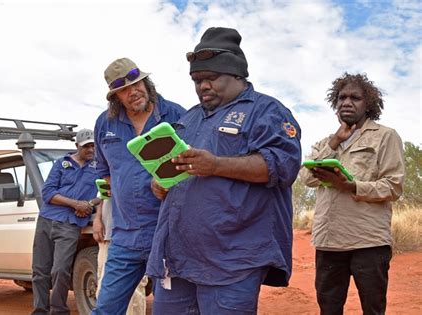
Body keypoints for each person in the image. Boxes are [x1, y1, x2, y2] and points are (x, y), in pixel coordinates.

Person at [146, 27, 302, 314]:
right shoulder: (188, 119)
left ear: (237, 76)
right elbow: (177, 170)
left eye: (211, 78)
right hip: (177, 258)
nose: (203, 86)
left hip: (232, 260)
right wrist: (160, 183)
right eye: (196, 80)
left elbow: (283, 165)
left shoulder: (266, 111)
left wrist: (216, 165)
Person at [300, 73, 405, 315]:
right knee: (328, 308)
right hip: (328, 241)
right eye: (341, 97)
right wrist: (335, 141)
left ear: (368, 104)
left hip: (368, 241)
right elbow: (306, 178)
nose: (346, 102)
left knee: (373, 308)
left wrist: (351, 186)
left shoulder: (385, 136)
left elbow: (393, 186)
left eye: (354, 98)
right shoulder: (326, 142)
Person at [92, 57, 186, 314]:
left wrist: (170, 185)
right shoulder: (104, 124)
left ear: (147, 82)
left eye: (137, 83)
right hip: (125, 236)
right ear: (115, 96)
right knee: (106, 309)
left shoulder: (177, 115)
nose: (133, 91)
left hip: (169, 233)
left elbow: (196, 168)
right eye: (123, 88)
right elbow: (104, 172)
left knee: (171, 310)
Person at [31, 128, 101, 315]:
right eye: (87, 146)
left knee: (60, 270)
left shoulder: (99, 167)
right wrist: (75, 204)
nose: (91, 149)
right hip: (47, 220)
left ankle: (59, 311)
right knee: (40, 272)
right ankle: (40, 311)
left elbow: (105, 193)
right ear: (77, 146)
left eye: (94, 145)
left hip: (70, 225)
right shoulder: (61, 164)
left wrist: (88, 204)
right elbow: (48, 193)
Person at [93, 194, 148, 314]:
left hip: (135, 235)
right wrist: (97, 218)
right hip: (109, 233)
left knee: (134, 296)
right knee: (105, 293)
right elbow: (102, 195)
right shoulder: (111, 176)